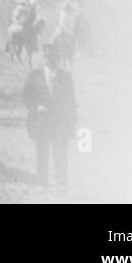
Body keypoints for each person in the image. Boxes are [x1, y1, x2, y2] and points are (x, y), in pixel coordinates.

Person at [22, 42, 77, 188]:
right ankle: (42, 184)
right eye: (47, 57)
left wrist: (72, 125)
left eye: (53, 57)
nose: (50, 60)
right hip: (41, 121)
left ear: (58, 58)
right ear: (43, 57)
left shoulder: (66, 76)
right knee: (42, 153)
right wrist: (36, 107)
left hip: (60, 122)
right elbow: (26, 97)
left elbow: (71, 102)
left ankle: (61, 184)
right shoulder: (34, 75)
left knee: (61, 153)